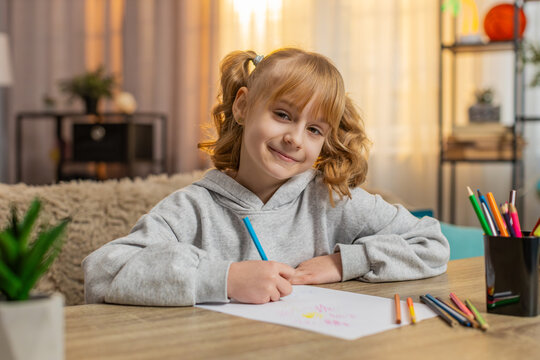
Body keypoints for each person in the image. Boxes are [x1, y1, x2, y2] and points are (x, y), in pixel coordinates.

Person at [83, 48, 449, 306]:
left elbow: (431, 243)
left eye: (315, 130)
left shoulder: (332, 200)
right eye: (283, 115)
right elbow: (102, 273)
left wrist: (342, 263)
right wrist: (224, 279)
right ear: (243, 106)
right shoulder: (193, 209)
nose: (294, 139)